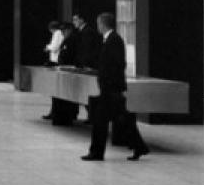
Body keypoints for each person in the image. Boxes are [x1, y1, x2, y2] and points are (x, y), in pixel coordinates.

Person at [82, 11, 147, 163]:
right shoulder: (109, 39)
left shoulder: (114, 40)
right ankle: (139, 146)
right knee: (121, 119)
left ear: (103, 24)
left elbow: (118, 64)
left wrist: (110, 84)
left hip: (111, 90)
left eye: (98, 24)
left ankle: (97, 152)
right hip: (109, 89)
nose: (97, 27)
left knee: (101, 121)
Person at [46, 14, 82, 126]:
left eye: (64, 31)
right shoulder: (66, 39)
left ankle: (69, 114)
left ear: (69, 30)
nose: (63, 33)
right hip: (62, 67)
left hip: (68, 68)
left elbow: (68, 54)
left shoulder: (72, 40)